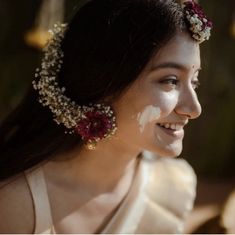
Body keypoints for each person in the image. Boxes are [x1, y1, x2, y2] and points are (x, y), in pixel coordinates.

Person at [0, 0, 212, 233]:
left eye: (195, 81)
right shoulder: (14, 202)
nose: (194, 109)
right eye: (170, 81)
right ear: (102, 83)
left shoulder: (174, 187)